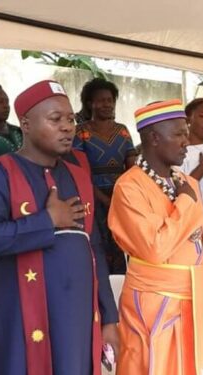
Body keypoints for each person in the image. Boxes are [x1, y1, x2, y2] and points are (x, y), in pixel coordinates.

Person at [0, 80, 118, 374]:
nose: (67, 127)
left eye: (71, 119)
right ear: (26, 124)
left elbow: (94, 246)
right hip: (24, 318)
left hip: (77, 319)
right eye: (55, 119)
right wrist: (46, 222)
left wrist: (109, 318)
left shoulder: (79, 175)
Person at [108, 99, 203, 375]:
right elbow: (155, 248)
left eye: (186, 133)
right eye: (178, 134)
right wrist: (184, 203)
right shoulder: (128, 187)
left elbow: (201, 251)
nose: (186, 141)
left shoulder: (188, 182)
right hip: (152, 304)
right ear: (153, 138)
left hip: (193, 300)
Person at [73, 78, 136, 274]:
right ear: (90, 103)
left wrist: (125, 196)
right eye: (101, 100)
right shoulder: (81, 132)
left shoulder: (123, 131)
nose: (107, 104)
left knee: (121, 246)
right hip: (92, 198)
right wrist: (104, 200)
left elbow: (132, 165)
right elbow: (80, 173)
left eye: (110, 100)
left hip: (122, 197)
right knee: (96, 247)